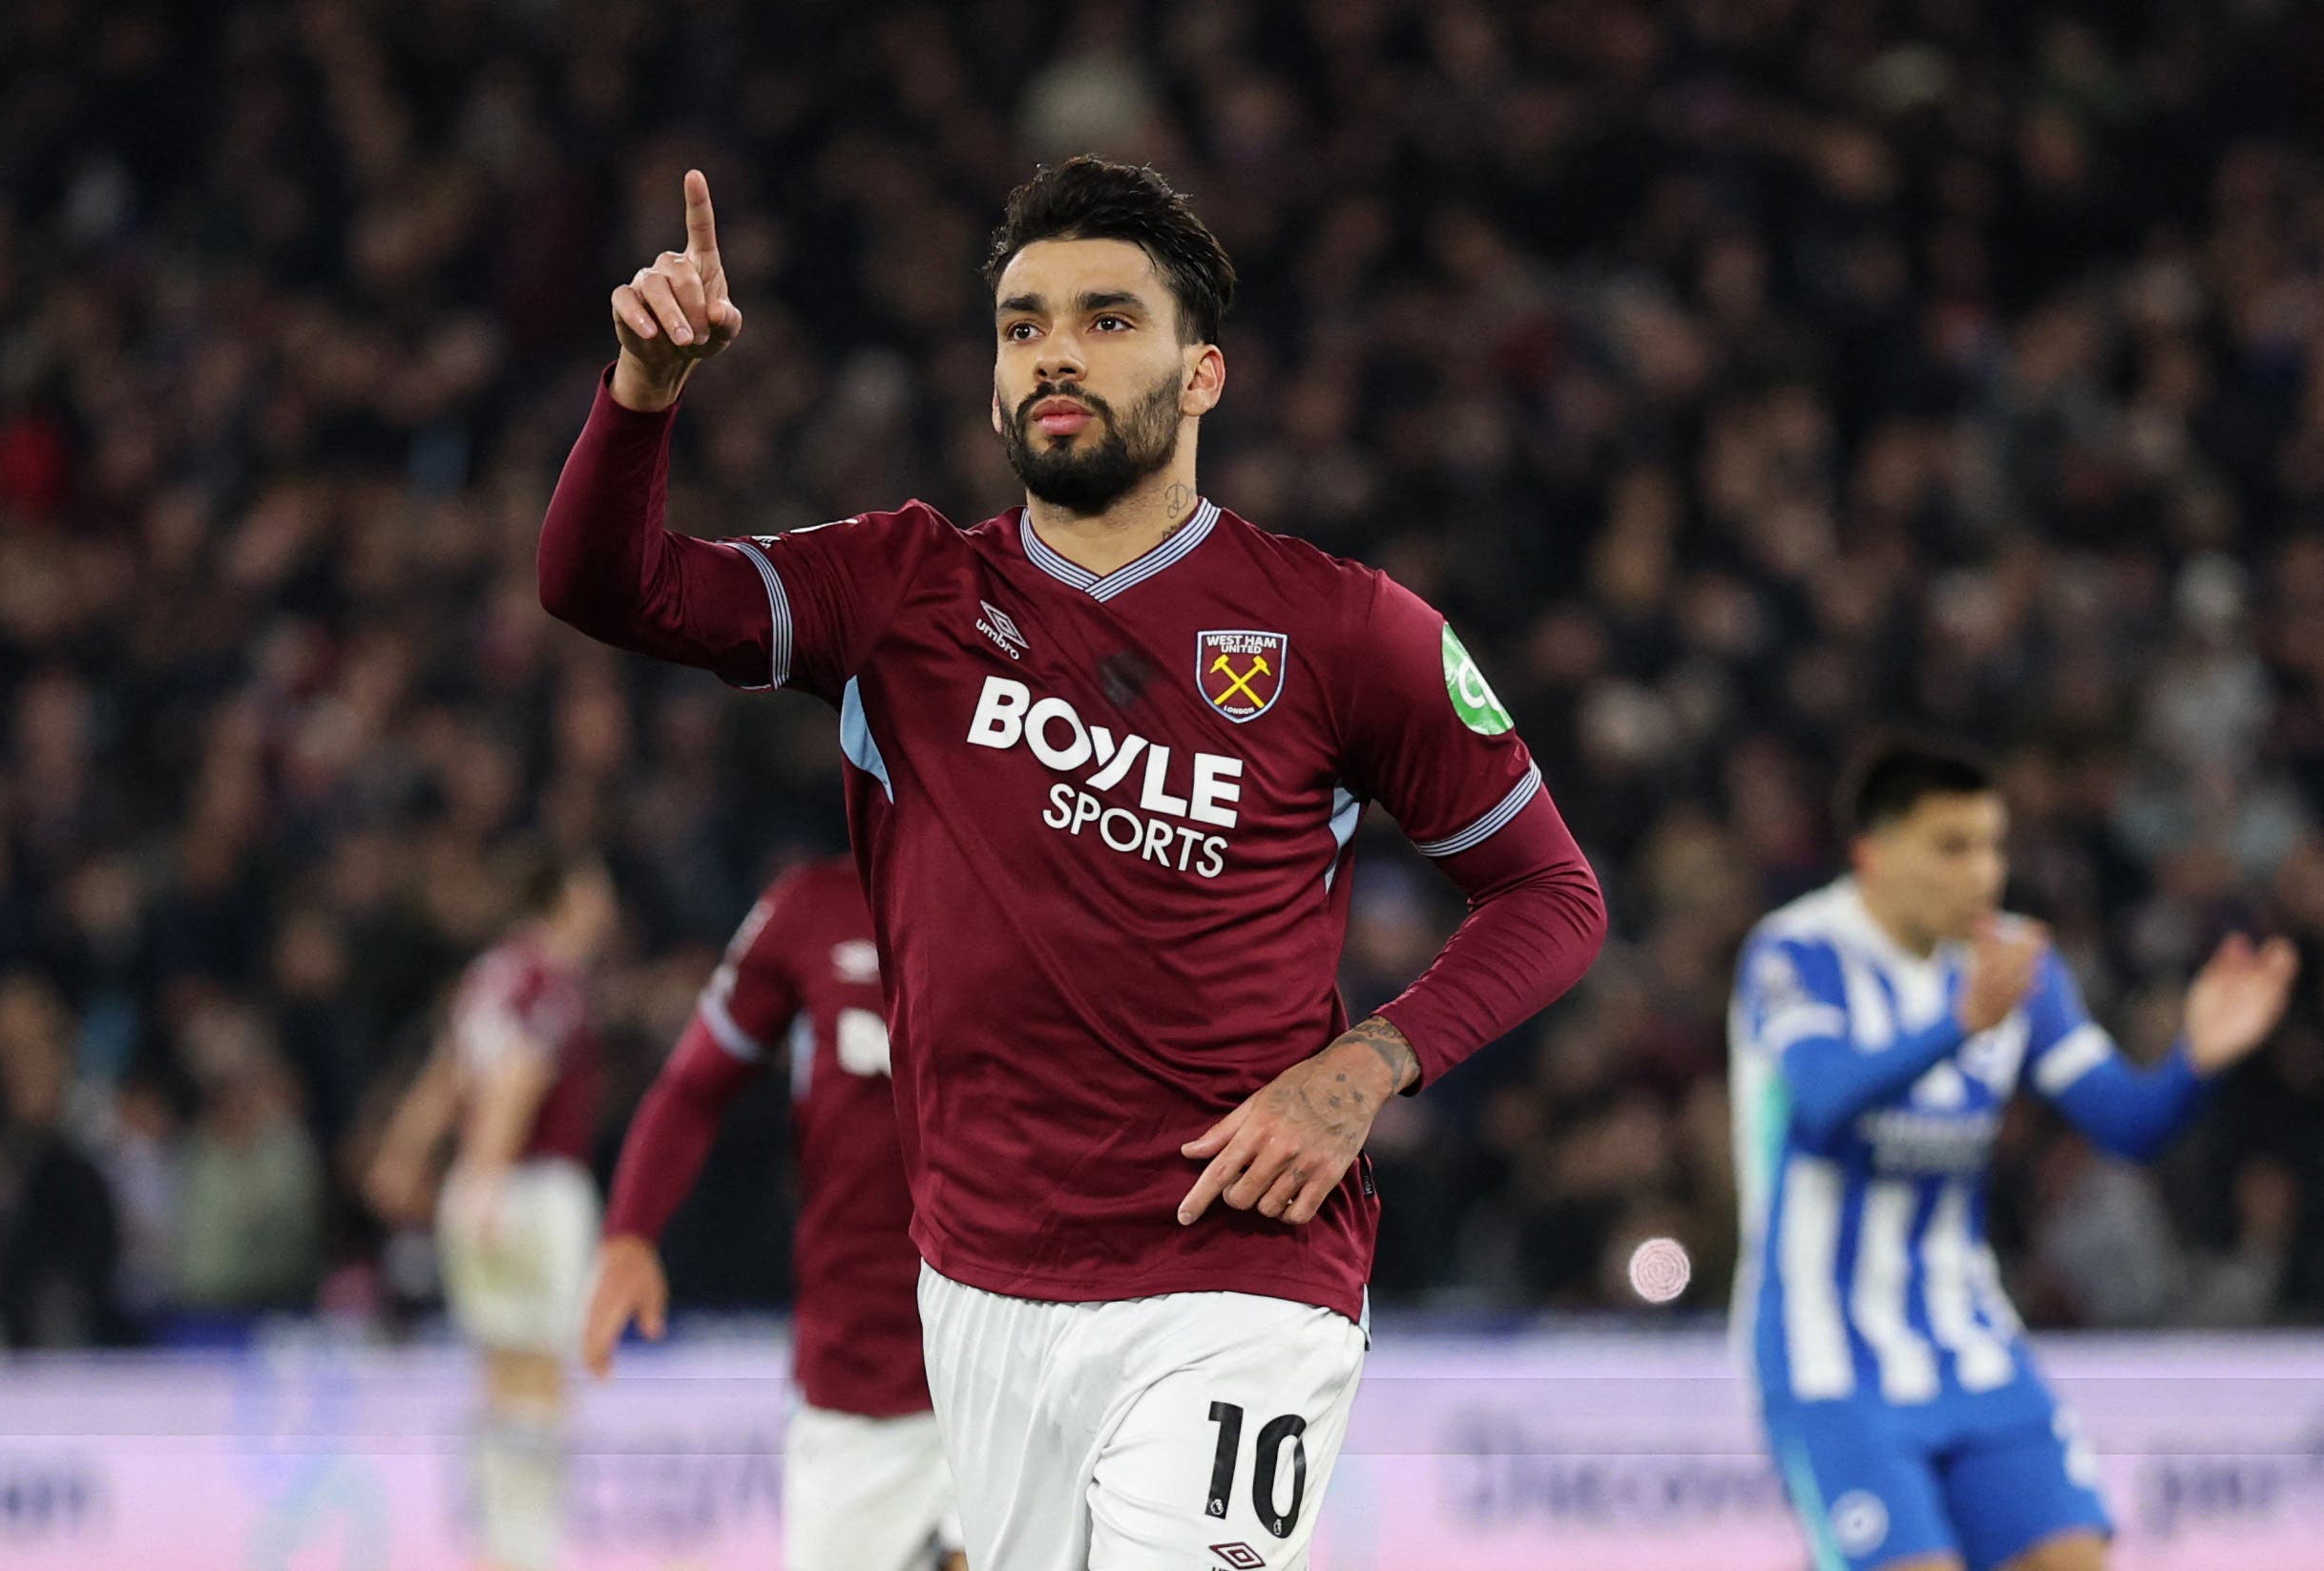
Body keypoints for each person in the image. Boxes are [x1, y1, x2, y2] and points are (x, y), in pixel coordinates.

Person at [537, 156, 1607, 1570]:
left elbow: (1554, 895)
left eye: (1108, 319)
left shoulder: (1346, 631)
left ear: (1203, 374)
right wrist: (641, 397)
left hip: (1240, 1268)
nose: (1056, 351)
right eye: (1024, 323)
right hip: (981, 1284)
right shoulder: (903, 587)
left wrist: (1365, 1069)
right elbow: (602, 586)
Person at [1727, 741, 2298, 1571]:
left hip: (1972, 1340)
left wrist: (2195, 1062)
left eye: (1993, 845)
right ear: (1873, 856)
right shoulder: (1795, 953)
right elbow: (1821, 1102)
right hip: (1830, 1359)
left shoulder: (2017, 963)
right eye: (1951, 847)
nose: (1983, 872)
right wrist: (1957, 1024)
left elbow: (2126, 1124)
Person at [582, 856, 966, 1571]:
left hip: (1011, 1361)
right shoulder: (812, 909)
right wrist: (629, 1234)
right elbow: (694, 1087)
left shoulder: (1045, 892)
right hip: (858, 1384)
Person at [366, 849, 618, 1571]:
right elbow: (517, 1078)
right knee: (539, 1371)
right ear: (565, 898)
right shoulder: (552, 983)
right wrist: (486, 1175)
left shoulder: (489, 975)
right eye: (596, 893)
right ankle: (529, 1548)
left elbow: (449, 1074)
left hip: (483, 1186)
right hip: (532, 1189)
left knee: (497, 1370)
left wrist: (404, 1155)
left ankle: (499, 1546)